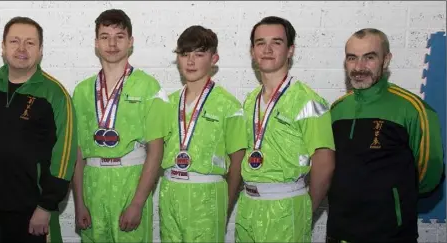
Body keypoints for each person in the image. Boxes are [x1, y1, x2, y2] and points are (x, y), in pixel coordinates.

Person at [327, 28, 445, 243]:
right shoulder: (337, 110)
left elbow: (430, 173)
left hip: (390, 235)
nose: (359, 67)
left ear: (386, 60)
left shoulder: (412, 109)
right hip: (338, 232)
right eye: (352, 58)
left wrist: (395, 199)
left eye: (369, 57)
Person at [0, 16, 77, 243]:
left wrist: (46, 206)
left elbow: (65, 156)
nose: (21, 48)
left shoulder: (55, 94)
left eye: (30, 43)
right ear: (3, 47)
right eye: (14, 41)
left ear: (40, 50)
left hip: (35, 212)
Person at [71, 9, 169, 243]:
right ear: (96, 43)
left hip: (130, 182)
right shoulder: (83, 91)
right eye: (105, 36)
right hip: (92, 185)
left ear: (130, 42)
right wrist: (80, 203)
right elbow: (78, 152)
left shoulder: (149, 87)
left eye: (119, 36)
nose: (112, 43)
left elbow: (156, 151)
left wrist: (137, 203)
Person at [235, 16, 335, 242]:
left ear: (290, 50)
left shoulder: (308, 101)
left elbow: (325, 161)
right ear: (252, 51)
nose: (267, 49)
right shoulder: (251, 100)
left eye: (276, 42)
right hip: (249, 205)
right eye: (260, 43)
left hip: (286, 206)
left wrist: (306, 207)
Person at [158, 25, 247, 242]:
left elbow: (238, 161)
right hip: (170, 189)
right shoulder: (166, 104)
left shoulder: (229, 105)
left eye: (199, 54)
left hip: (208, 194)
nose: (190, 61)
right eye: (185, 54)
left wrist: (225, 203)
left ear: (214, 58)